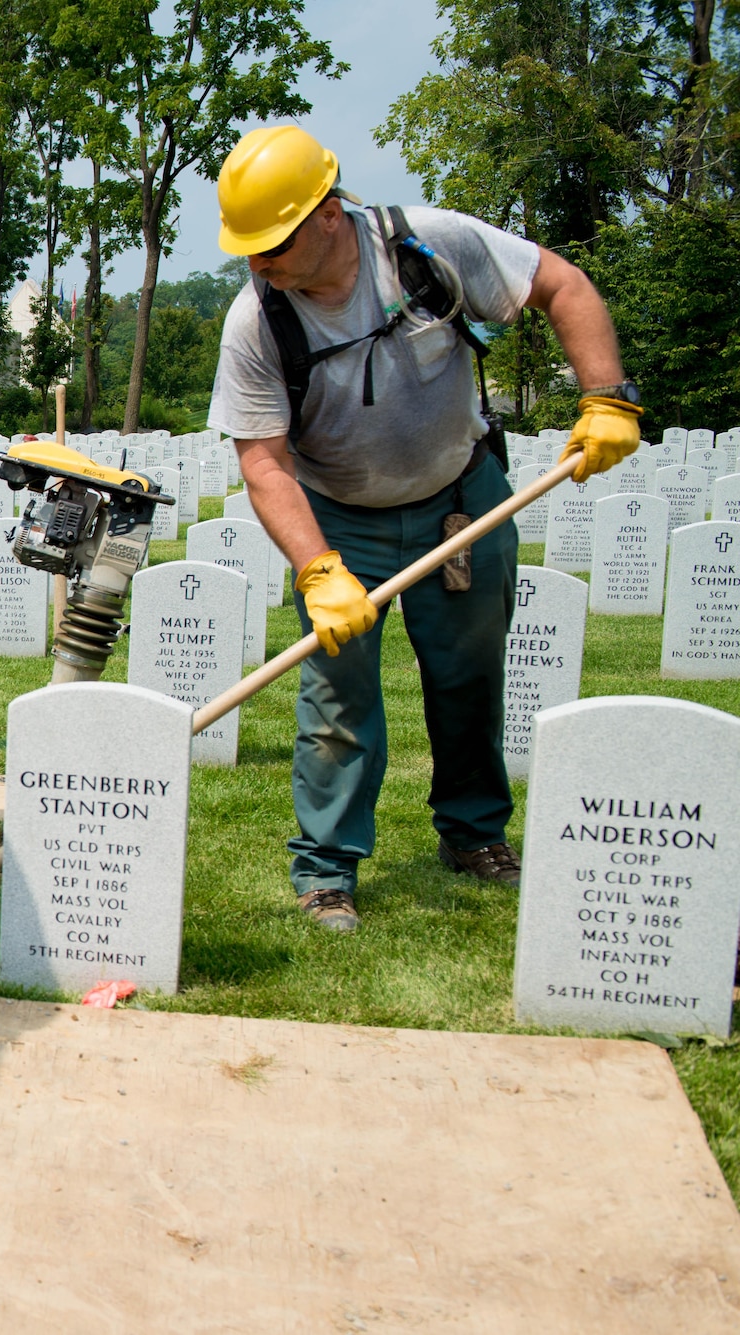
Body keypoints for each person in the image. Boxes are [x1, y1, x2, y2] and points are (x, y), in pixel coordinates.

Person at [205, 125, 641, 933]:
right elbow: (264, 463)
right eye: (249, 247)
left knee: (469, 675)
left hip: (460, 498)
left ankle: (474, 836)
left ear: (329, 213)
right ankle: (327, 869)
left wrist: (608, 395)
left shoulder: (430, 246)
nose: (257, 262)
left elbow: (565, 287)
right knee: (337, 694)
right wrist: (317, 569)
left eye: (273, 242)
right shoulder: (255, 322)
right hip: (339, 516)